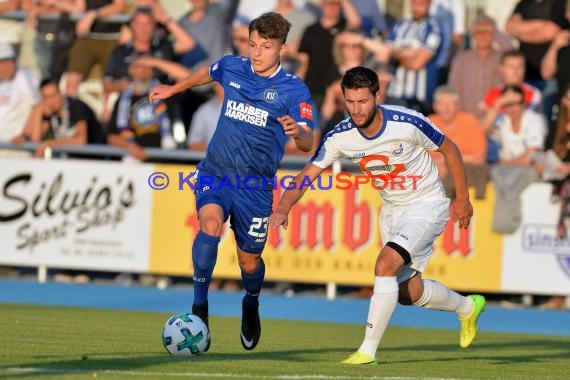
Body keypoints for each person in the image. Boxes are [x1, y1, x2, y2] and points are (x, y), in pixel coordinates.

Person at [268, 66, 485, 365]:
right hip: (392, 211)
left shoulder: (407, 122)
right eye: (350, 102)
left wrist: (462, 198)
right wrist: (283, 206)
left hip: (427, 203)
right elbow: (308, 174)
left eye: (363, 102)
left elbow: (451, 150)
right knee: (407, 292)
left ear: (377, 96)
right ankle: (466, 308)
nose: (356, 110)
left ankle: (367, 351)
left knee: (384, 266)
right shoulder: (340, 137)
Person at [148, 12, 315, 351]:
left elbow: (309, 142)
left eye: (265, 47)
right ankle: (199, 309)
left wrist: (298, 134)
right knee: (209, 226)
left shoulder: (293, 89)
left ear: (282, 49)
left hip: (255, 188)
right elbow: (206, 74)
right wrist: (173, 89)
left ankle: (250, 303)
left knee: (248, 261)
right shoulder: (232, 66)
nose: (257, 53)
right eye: (253, 44)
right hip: (217, 171)